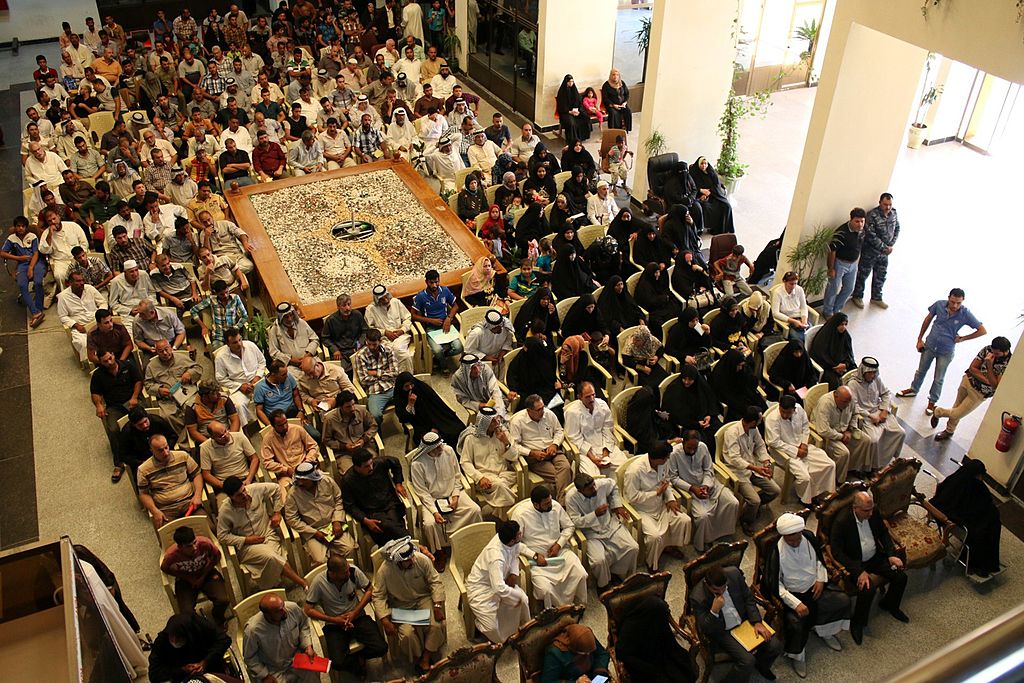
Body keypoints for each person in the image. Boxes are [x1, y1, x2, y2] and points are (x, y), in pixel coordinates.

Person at [764, 513, 851, 678]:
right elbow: (776, 584)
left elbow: (819, 561)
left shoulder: (809, 537)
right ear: (784, 536)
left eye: (797, 538)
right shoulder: (776, 550)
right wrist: (795, 603)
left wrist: (820, 579)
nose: (795, 542)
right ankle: (798, 655)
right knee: (796, 624)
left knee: (842, 601)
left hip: (815, 589)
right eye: (791, 540)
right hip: (793, 595)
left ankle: (825, 631)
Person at [829, 491, 909, 644]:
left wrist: (891, 554)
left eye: (872, 509)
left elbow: (884, 533)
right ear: (855, 508)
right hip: (856, 562)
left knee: (901, 577)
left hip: (875, 557)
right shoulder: (842, 521)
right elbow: (836, 551)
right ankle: (858, 623)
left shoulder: (874, 513)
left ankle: (889, 605)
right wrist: (858, 571)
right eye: (866, 510)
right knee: (867, 589)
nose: (871, 513)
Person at [897, 288, 986, 416]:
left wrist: (963, 338)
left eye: (958, 303)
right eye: (953, 302)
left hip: (946, 351)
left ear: (962, 301)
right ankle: (913, 389)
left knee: (939, 378)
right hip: (930, 345)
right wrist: (919, 339)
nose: (955, 305)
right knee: (921, 370)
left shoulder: (965, 313)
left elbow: (982, 330)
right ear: (948, 298)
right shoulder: (939, 305)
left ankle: (932, 401)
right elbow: (928, 319)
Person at [691, 565, 782, 683]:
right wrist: (714, 611)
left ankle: (762, 665)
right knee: (747, 661)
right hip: (723, 631)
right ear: (707, 584)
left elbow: (748, 597)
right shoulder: (697, 597)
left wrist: (757, 622)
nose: (721, 592)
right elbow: (705, 628)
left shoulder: (734, 574)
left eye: (723, 588)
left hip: (744, 620)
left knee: (775, 645)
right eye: (716, 590)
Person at [371, 536, 447, 674]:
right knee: (407, 635)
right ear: (398, 562)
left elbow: (435, 582)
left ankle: (425, 658)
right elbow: (378, 596)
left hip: (423, 599)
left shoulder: (421, 560)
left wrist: (437, 606)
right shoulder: (384, 571)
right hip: (401, 606)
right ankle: (418, 657)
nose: (412, 560)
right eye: (407, 560)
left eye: (412, 557)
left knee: (435, 626)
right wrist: (384, 620)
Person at [304, 555, 388, 677]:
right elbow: (308, 609)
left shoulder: (353, 572)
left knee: (381, 647)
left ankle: (359, 657)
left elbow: (370, 590)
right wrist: (334, 619)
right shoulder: (318, 582)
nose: (348, 573)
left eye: (348, 569)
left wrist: (355, 612)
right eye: (344, 572)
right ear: (333, 574)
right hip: (335, 624)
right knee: (337, 662)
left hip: (357, 617)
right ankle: (357, 665)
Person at [218, 477, 309, 590]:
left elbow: (276, 489)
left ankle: (273, 589)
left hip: (267, 534)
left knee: (273, 558)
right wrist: (246, 540)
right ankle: (301, 582)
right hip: (248, 546)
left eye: (244, 490)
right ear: (231, 497)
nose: (245, 495)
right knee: (271, 556)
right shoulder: (225, 511)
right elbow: (222, 536)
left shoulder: (255, 489)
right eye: (239, 495)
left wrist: (277, 512)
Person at [410, 432, 484, 569]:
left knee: (474, 510)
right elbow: (422, 492)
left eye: (440, 446)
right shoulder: (417, 464)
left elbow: (457, 476)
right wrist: (434, 512)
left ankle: (472, 541)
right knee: (430, 524)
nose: (441, 449)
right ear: (428, 450)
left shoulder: (448, 451)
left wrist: (455, 497)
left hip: (453, 494)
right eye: (437, 448)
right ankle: (439, 552)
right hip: (431, 500)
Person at [511, 485, 588, 609]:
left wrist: (559, 544)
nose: (550, 505)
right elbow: (514, 542)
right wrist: (534, 556)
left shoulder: (555, 506)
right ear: (536, 505)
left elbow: (569, 526)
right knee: (545, 589)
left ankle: (579, 607)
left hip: (560, 553)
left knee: (581, 574)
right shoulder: (521, 514)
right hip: (538, 561)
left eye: (550, 500)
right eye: (546, 503)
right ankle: (557, 611)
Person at [623, 442, 692, 569]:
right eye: (666, 458)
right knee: (654, 536)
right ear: (657, 459)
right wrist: (656, 493)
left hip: (661, 504)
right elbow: (632, 497)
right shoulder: (635, 471)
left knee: (684, 520)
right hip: (642, 510)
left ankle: (669, 546)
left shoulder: (662, 464)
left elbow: (666, 483)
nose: (667, 460)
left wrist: (670, 499)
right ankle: (651, 563)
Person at [668, 431, 741, 552]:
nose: (692, 451)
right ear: (683, 443)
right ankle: (703, 542)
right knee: (703, 516)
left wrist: (705, 486)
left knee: (733, 502)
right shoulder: (674, 454)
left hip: (709, 484)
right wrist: (693, 488)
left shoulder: (702, 447)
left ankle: (723, 534)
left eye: (694, 448)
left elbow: (708, 469)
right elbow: (673, 478)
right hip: (689, 489)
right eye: (689, 448)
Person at [565, 471, 639, 590]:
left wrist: (617, 505)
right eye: (589, 489)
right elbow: (575, 521)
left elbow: (614, 485)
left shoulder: (601, 484)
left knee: (632, 547)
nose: (594, 489)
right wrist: (595, 514)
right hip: (590, 532)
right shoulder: (571, 498)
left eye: (593, 485)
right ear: (580, 491)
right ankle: (604, 585)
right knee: (599, 561)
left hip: (609, 525)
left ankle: (619, 574)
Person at [930, 459, 1003, 577]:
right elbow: (951, 504)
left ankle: (984, 562)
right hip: (958, 520)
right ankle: (977, 564)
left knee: (991, 525)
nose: (981, 479)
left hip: (958, 515)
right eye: (979, 475)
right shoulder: (967, 486)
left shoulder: (962, 481)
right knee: (985, 530)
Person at [931, 336, 1012, 441]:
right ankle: (949, 430)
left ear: (1005, 352)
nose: (994, 355)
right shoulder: (987, 349)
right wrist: (987, 380)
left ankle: (938, 412)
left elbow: (996, 385)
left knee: (958, 413)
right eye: (993, 351)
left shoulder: (1008, 363)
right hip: (968, 381)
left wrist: (988, 364)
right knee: (957, 406)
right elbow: (972, 368)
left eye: (997, 354)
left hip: (980, 393)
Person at [766, 396, 836, 505]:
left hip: (803, 446)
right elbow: (774, 442)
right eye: (782, 412)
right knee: (804, 477)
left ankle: (818, 493)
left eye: (788, 413)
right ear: (779, 407)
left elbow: (805, 427)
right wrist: (795, 451)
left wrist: (804, 443)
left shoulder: (799, 409)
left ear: (794, 409)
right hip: (784, 453)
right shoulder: (772, 419)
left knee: (829, 464)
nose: (785, 415)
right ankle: (805, 499)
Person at [285, 462, 358, 565]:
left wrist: (337, 521)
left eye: (304, 480)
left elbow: (339, 500)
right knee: (320, 560)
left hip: (332, 525)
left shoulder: (327, 481)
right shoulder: (293, 493)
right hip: (313, 530)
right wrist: (314, 533)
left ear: (312, 478)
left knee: (350, 549)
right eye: (299, 479)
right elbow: (291, 518)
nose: (300, 482)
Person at [722, 407, 781, 534]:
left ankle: (752, 507)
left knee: (775, 490)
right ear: (753, 422)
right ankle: (746, 520)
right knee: (755, 500)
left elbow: (760, 446)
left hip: (753, 468)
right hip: (738, 472)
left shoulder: (753, 430)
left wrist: (766, 461)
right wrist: (756, 468)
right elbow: (735, 459)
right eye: (759, 420)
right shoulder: (732, 433)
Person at [159, 526, 231, 628]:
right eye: (189, 546)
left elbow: (217, 556)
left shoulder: (205, 544)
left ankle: (218, 617)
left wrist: (203, 575)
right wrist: (187, 578)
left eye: (194, 542)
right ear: (180, 547)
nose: (194, 547)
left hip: (206, 573)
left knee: (223, 600)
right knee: (186, 613)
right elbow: (165, 568)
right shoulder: (172, 555)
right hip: (185, 580)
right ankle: (201, 626)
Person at [617, 595, 697, 683]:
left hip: (663, 651)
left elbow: (666, 639)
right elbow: (623, 654)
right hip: (642, 664)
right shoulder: (630, 629)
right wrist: (652, 669)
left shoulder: (656, 612)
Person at [457, 407, 519, 519]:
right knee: (500, 486)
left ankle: (500, 519)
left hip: (505, 474)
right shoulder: (471, 438)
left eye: (497, 419)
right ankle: (512, 517)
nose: (498, 423)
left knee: (502, 486)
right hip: (486, 479)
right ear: (484, 423)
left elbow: (514, 456)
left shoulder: (503, 432)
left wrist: (505, 442)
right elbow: (465, 462)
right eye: (493, 421)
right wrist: (479, 478)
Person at [91, 349, 143, 482]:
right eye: (105, 361)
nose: (109, 362)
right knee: (113, 429)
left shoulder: (128, 365)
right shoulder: (98, 375)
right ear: (101, 362)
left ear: (113, 354)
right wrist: (98, 405)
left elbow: (138, 381)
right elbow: (95, 393)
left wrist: (135, 397)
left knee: (143, 420)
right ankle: (119, 463)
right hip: (115, 406)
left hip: (132, 401)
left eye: (110, 358)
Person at [342, 448, 411, 546]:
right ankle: (412, 543)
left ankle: (398, 548)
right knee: (388, 525)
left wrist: (398, 483)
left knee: (389, 527)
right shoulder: (348, 480)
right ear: (357, 467)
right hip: (372, 512)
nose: (371, 468)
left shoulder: (378, 463)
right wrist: (365, 521)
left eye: (371, 463)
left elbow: (395, 462)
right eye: (366, 466)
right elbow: (349, 505)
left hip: (390, 503)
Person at [845, 357, 905, 471]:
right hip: (866, 417)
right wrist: (870, 416)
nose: (873, 375)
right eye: (870, 373)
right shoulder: (853, 384)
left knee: (900, 432)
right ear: (864, 372)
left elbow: (886, 394)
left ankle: (888, 459)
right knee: (874, 440)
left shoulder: (876, 380)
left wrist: (884, 410)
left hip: (880, 411)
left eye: (874, 372)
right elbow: (854, 406)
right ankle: (872, 467)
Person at [242, 593, 318, 682]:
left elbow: (304, 624)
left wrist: (307, 645)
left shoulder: (292, 608)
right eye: (279, 610)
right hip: (273, 669)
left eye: (283, 606)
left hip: (297, 658)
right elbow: (249, 657)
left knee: (314, 674)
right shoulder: (252, 630)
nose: (285, 611)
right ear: (268, 615)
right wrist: (264, 675)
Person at [509, 394, 572, 499]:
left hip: (553, 451)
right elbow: (514, 445)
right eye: (539, 410)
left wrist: (555, 444)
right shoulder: (517, 421)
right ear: (529, 411)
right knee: (561, 475)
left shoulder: (549, 414)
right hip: (536, 457)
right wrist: (531, 453)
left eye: (543, 407)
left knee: (566, 468)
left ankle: (559, 501)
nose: (542, 411)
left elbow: (559, 431)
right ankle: (563, 503)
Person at [138, 434, 203, 527]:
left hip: (189, 503)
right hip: (166, 509)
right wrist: (155, 511)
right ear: (152, 451)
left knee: (208, 528)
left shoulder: (182, 456)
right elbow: (143, 494)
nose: (166, 452)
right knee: (170, 538)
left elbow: (197, 474)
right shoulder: (144, 469)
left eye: (166, 447)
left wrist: (197, 495)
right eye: (160, 450)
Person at [565, 381, 628, 477]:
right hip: (586, 451)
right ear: (580, 397)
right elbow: (575, 438)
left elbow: (608, 429)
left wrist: (605, 453)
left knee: (624, 468)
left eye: (593, 395)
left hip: (605, 445)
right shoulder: (572, 412)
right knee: (592, 477)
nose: (592, 399)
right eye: (588, 397)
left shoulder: (602, 405)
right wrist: (592, 458)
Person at [148, 613, 232, 683]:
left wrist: (205, 662)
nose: (174, 641)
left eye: (179, 637)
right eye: (172, 636)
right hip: (183, 676)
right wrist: (182, 670)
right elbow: (154, 674)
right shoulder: (162, 641)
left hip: (211, 667)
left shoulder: (199, 627)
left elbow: (224, 639)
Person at [144, 338, 203, 435]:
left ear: (171, 348)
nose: (165, 353)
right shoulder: (151, 366)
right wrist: (159, 390)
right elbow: (148, 384)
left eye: (166, 349)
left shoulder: (182, 358)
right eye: (161, 351)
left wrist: (189, 373)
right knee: (167, 416)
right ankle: (187, 435)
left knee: (192, 408)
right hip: (168, 399)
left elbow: (198, 368)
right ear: (157, 353)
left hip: (186, 392)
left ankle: (194, 434)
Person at [851, 193, 900, 309]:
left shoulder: (894, 213)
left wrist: (891, 244)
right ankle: (857, 296)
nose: (888, 207)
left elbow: (897, 228)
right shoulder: (872, 215)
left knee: (881, 275)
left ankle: (876, 297)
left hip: (885, 253)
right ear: (880, 203)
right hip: (870, 252)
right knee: (863, 275)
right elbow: (870, 235)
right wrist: (884, 247)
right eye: (885, 204)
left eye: (890, 204)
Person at [260, 409, 321, 499]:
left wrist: (307, 461)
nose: (285, 427)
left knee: (323, 488)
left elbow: (314, 446)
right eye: (280, 425)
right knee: (286, 499)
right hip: (287, 475)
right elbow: (267, 462)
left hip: (306, 467)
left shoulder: (297, 429)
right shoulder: (268, 439)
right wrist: (286, 469)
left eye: (285, 423)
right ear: (273, 426)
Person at [394, 370, 465, 446]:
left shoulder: (421, 387)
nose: (410, 388)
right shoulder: (399, 397)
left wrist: (434, 426)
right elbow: (403, 418)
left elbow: (435, 405)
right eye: (406, 386)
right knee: (431, 440)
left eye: (411, 384)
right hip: (419, 424)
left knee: (457, 429)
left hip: (435, 418)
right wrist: (410, 404)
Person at [412, 268, 463, 373]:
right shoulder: (421, 296)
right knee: (437, 350)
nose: (434, 285)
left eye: (436, 282)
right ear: (426, 282)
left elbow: (455, 306)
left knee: (458, 347)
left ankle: (440, 357)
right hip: (431, 328)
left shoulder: (444, 290)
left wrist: (449, 318)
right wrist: (430, 320)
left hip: (446, 325)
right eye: (431, 283)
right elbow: (413, 316)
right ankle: (443, 366)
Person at [1, 216, 47, 328]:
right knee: (22, 284)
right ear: (15, 227)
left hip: (36, 262)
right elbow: (2, 253)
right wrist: (18, 258)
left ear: (26, 227)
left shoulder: (32, 236)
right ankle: (36, 312)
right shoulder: (12, 238)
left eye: (23, 226)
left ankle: (38, 308)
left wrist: (31, 268)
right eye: (18, 226)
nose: (20, 228)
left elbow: (36, 253)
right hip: (22, 264)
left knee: (37, 282)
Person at [214, 327, 265, 424]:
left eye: (240, 340)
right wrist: (239, 386)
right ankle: (245, 433)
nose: (239, 344)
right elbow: (220, 378)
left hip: (257, 381)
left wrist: (257, 376)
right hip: (238, 385)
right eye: (235, 343)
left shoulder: (251, 346)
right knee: (238, 405)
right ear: (228, 344)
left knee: (272, 394)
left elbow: (262, 362)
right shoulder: (221, 357)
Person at [822, 208, 866, 318]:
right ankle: (827, 311)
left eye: (862, 221)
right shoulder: (841, 232)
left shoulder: (862, 231)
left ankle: (837, 309)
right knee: (833, 288)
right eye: (857, 221)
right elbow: (832, 251)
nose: (860, 224)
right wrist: (831, 268)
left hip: (853, 264)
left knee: (849, 288)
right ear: (851, 220)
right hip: (840, 263)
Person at [365, 285, 415, 373]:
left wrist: (402, 330)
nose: (386, 300)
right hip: (383, 340)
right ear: (377, 300)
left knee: (398, 350)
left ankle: (405, 377)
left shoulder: (396, 302)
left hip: (401, 337)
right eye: (382, 299)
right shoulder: (370, 310)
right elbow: (370, 329)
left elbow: (407, 318)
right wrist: (384, 332)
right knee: (396, 354)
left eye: (386, 297)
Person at [541, 623, 611, 683]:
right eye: (584, 653)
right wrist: (576, 682)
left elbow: (602, 654)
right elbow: (548, 681)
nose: (588, 654)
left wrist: (598, 674)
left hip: (591, 675)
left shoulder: (587, 635)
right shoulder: (554, 653)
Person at [712, 348, 767, 422]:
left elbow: (752, 383)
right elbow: (724, 395)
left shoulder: (742, 369)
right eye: (739, 365)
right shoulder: (720, 374)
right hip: (732, 400)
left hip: (744, 394)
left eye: (742, 365)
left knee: (763, 409)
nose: (740, 368)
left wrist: (747, 372)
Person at [268, 302, 320, 376]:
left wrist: (307, 355)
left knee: (319, 372)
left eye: (291, 315)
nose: (290, 319)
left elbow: (315, 339)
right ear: (281, 318)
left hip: (309, 359)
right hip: (291, 366)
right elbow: (274, 352)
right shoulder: (274, 330)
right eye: (286, 317)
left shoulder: (302, 323)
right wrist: (290, 360)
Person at [452, 353, 510, 418]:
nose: (478, 370)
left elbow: (495, 391)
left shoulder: (485, 369)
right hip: (476, 405)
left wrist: (499, 413)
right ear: (467, 370)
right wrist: (479, 405)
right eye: (473, 368)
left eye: (478, 365)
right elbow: (462, 399)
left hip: (491, 400)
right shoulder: (458, 378)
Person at [689, 155, 736, 234]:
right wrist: (700, 190)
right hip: (702, 198)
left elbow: (717, 184)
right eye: (702, 164)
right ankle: (711, 228)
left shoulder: (711, 171)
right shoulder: (694, 173)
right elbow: (692, 187)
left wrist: (710, 192)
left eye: (705, 163)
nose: (704, 166)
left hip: (715, 195)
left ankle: (723, 230)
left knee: (726, 206)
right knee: (707, 208)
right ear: (698, 164)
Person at [810, 312, 856, 390]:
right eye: (841, 324)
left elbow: (849, 353)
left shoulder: (845, 336)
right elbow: (820, 355)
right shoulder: (824, 337)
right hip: (827, 367)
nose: (843, 327)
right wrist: (835, 366)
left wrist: (846, 364)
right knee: (835, 384)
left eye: (845, 324)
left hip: (842, 364)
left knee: (855, 376)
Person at [622, 323, 669, 389]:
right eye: (634, 338)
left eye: (638, 340)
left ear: (645, 340)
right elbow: (626, 361)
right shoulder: (630, 344)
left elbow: (661, 348)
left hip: (651, 363)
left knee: (666, 380)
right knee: (651, 387)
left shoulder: (651, 340)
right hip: (637, 367)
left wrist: (656, 357)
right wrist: (642, 368)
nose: (634, 341)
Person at [771, 271, 810, 343]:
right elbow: (775, 313)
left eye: (795, 283)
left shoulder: (799, 289)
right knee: (798, 340)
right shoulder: (777, 292)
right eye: (791, 284)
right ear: (784, 282)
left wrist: (804, 320)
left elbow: (804, 307)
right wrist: (793, 321)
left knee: (811, 335)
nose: (793, 286)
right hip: (787, 320)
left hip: (800, 318)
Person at [555, 74, 591, 144]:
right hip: (565, 112)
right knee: (571, 123)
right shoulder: (562, 92)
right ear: (566, 82)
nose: (571, 83)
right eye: (569, 82)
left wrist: (578, 110)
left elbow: (579, 101)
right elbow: (561, 105)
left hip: (575, 110)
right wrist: (570, 112)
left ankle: (581, 137)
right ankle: (572, 140)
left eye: (572, 81)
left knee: (585, 117)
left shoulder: (574, 90)